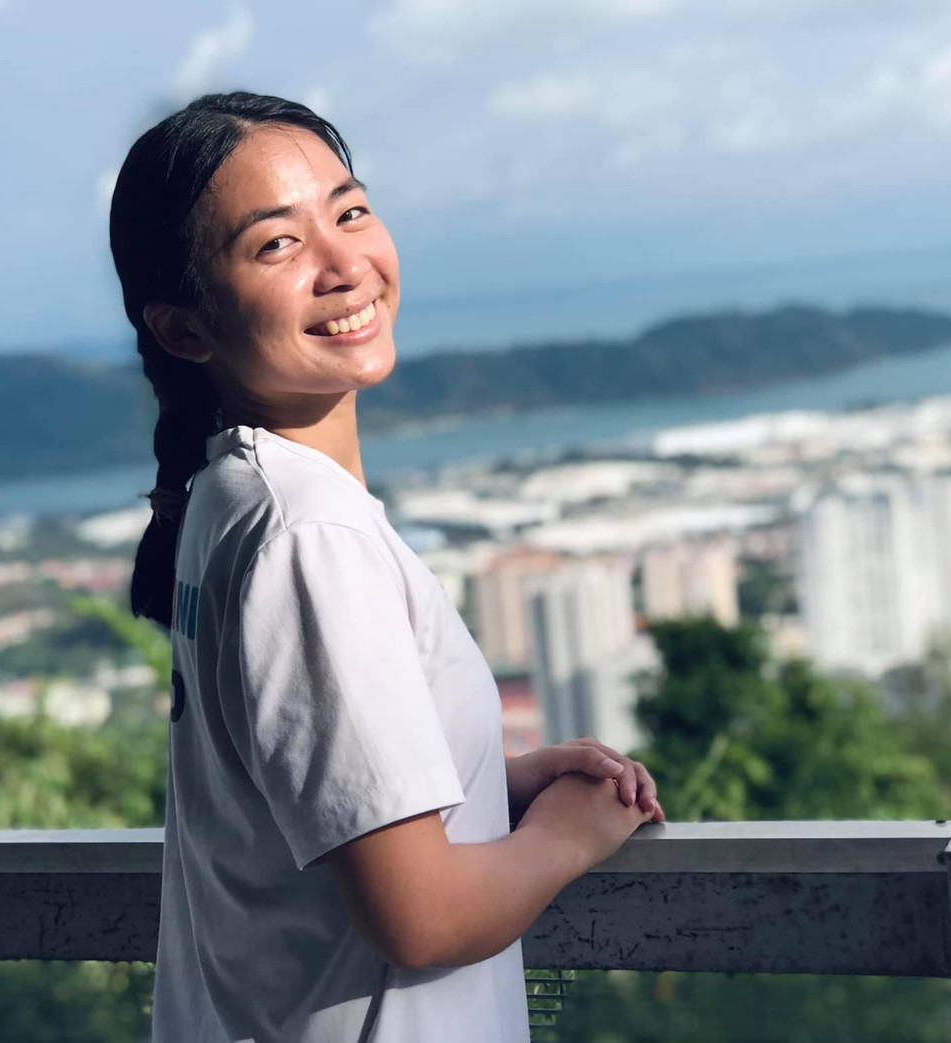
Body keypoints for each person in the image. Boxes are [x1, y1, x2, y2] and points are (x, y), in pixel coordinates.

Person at [108, 91, 665, 1043]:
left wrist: (489, 779)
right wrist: (567, 834)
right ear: (185, 328)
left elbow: (285, 802)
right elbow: (424, 916)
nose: (343, 264)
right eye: (277, 244)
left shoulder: (229, 494)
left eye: (351, 211)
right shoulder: (308, 536)